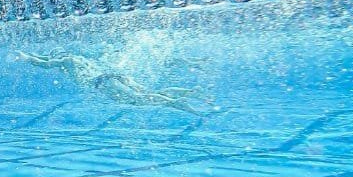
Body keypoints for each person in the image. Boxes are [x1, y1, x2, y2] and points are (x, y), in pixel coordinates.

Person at [17, 50, 210, 116]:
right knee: (148, 92)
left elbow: (45, 63)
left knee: (139, 100)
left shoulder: (66, 62)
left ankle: (180, 104)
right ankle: (192, 92)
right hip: (112, 76)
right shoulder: (75, 58)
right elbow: (44, 57)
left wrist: (25, 58)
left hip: (103, 83)